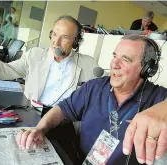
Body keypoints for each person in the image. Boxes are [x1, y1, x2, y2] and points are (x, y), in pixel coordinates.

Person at [16, 35, 167, 165]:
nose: (114, 64)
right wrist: (40, 129)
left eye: (125, 59)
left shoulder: (158, 97)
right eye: (115, 56)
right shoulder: (95, 87)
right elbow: (62, 109)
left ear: (147, 69)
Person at [0, 15, 94, 107]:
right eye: (54, 34)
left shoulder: (89, 65)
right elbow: (5, 70)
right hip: (33, 115)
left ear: (76, 42)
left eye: (65, 37)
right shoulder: (34, 55)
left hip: (64, 124)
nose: (56, 42)